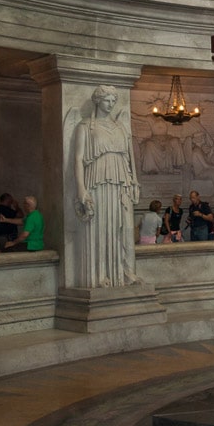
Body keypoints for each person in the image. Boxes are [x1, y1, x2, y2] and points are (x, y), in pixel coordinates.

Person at [73, 85, 140, 286]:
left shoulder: (121, 127)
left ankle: (126, 273)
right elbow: (78, 160)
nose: (110, 104)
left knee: (124, 228)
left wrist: (134, 180)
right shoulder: (85, 127)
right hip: (98, 181)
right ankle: (101, 274)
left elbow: (130, 157)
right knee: (101, 227)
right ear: (97, 101)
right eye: (107, 100)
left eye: (113, 101)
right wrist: (81, 189)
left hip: (121, 181)